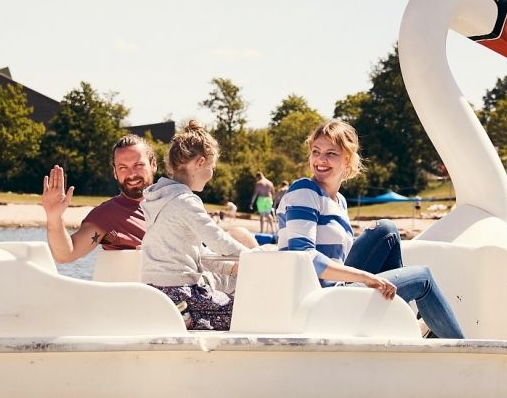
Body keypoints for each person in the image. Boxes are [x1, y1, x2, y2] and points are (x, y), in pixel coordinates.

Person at [277, 119, 464, 339]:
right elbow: (305, 257)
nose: (321, 159)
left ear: (347, 160)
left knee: (386, 230)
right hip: (318, 300)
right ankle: (465, 352)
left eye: (331, 153)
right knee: (423, 277)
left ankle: (404, 322)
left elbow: (342, 259)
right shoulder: (304, 190)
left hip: (337, 290)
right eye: (316, 151)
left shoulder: (340, 202)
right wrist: (367, 278)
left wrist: (367, 279)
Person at [140, 121, 258, 330]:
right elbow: (218, 240)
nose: (212, 174)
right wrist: (257, 258)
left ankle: (190, 319)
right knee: (249, 310)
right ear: (200, 162)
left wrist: (230, 267)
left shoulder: (158, 198)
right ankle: (190, 320)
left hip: (154, 292)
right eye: (212, 168)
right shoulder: (185, 200)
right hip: (181, 293)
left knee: (232, 296)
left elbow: (195, 252)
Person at [41, 135, 154, 265]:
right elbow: (66, 255)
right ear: (115, 172)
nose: (132, 174)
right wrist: (54, 218)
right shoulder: (106, 215)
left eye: (138, 165)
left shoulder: (173, 204)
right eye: (123, 167)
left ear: (153, 164)